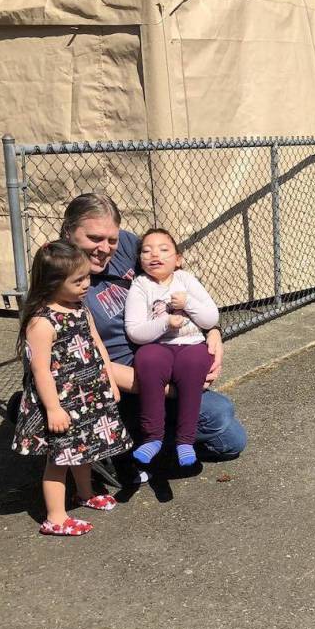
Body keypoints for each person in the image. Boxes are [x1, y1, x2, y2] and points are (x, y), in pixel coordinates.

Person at [60, 193, 247, 481]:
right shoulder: (63, 281)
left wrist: (213, 332)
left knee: (231, 440)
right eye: (94, 238)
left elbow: (178, 278)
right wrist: (171, 389)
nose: (104, 248)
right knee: (219, 414)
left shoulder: (125, 246)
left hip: (167, 360)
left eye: (111, 239)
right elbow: (88, 365)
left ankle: (126, 443)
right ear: (68, 231)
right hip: (125, 385)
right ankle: (114, 445)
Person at [12, 241, 132, 536]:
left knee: (86, 449)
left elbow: (97, 344)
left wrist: (108, 380)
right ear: (53, 283)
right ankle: (55, 516)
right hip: (61, 403)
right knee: (60, 459)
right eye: (77, 281)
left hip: (89, 396)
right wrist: (53, 408)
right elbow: (39, 369)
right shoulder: (42, 321)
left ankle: (85, 492)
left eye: (86, 277)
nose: (86, 285)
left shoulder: (79, 308)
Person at [125, 228, 220, 469]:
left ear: (178, 259)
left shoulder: (186, 280)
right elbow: (135, 332)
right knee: (147, 359)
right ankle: (153, 437)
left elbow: (210, 318)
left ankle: (185, 441)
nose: (154, 254)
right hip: (159, 346)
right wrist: (165, 322)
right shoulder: (140, 284)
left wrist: (188, 303)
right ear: (140, 260)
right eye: (146, 251)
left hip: (191, 344)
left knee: (196, 362)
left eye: (164, 249)